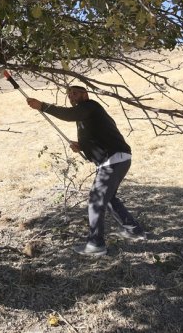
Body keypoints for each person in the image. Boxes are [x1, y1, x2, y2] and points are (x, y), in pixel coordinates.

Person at [26, 85, 145, 256]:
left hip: (113, 160)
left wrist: (43, 106)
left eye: (75, 93)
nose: (71, 96)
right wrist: (82, 146)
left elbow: (68, 114)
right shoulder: (86, 115)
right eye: (69, 94)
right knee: (108, 197)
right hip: (118, 159)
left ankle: (96, 245)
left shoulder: (90, 107)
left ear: (85, 95)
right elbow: (99, 135)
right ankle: (134, 230)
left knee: (96, 200)